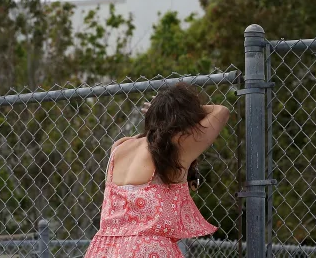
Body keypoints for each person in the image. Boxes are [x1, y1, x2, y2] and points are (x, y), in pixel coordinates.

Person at [84, 82, 230, 257]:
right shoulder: (175, 148)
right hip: (148, 249)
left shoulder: (120, 146)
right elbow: (221, 111)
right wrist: (178, 110)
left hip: (104, 248)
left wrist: (159, 109)